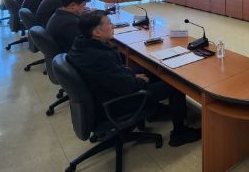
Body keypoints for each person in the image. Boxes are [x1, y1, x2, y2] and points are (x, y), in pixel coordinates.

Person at [67, 11, 201, 147]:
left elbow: (113, 74)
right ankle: (179, 134)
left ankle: (154, 113)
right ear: (97, 32)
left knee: (150, 72)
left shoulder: (81, 45)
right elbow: (127, 87)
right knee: (175, 85)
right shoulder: (99, 57)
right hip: (116, 102)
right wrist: (140, 80)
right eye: (109, 23)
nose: (113, 26)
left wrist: (132, 75)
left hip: (102, 95)